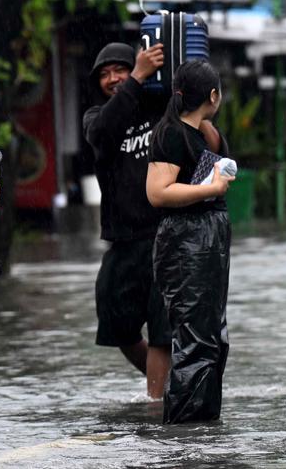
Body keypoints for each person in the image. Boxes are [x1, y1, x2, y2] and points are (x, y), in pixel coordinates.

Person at [81, 41, 175, 398]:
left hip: (165, 234)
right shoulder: (96, 117)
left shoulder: (160, 109)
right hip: (122, 239)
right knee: (117, 326)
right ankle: (167, 387)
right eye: (105, 74)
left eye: (120, 69)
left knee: (163, 329)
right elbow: (102, 135)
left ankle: (156, 405)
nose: (113, 78)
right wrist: (136, 75)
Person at [146, 60, 234, 423]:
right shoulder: (171, 133)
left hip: (206, 241)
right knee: (196, 343)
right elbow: (157, 192)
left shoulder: (199, 132)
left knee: (213, 340)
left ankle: (204, 431)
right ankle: (184, 436)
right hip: (187, 243)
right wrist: (209, 189)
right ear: (213, 95)